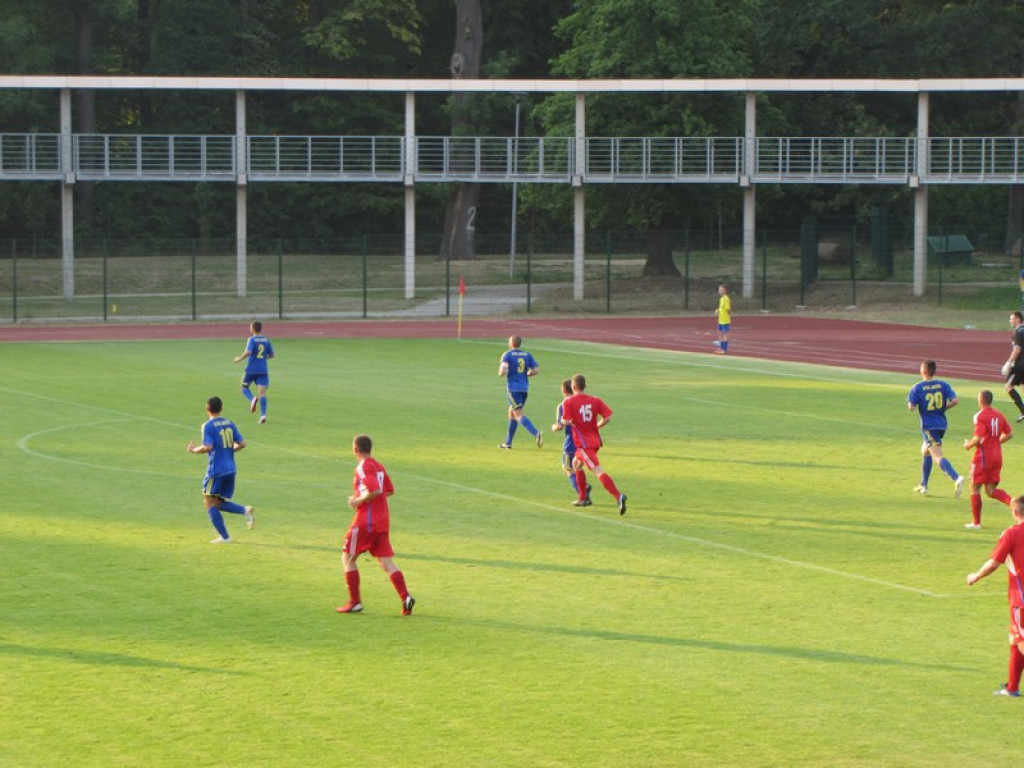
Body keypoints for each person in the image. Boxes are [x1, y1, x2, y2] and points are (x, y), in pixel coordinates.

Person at [336, 434, 415, 616]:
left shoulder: (363, 467)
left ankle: (355, 602)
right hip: (382, 520)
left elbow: (375, 490)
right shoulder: (378, 466)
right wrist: (365, 497)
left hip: (366, 521)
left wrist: (359, 500)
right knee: (386, 561)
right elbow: (389, 490)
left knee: (347, 558)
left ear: (355, 450)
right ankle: (406, 597)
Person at [966, 495, 1024, 696]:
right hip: (1018, 599)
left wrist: (975, 576)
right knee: (1014, 638)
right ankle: (1012, 687)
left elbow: (994, 563)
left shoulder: (1012, 533)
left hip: (1021, 599)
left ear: (1015, 512)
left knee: (1021, 642)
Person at [186, 396, 255, 543]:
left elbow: (208, 447)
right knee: (218, 503)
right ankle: (245, 511)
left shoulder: (208, 425)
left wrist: (193, 450)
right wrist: (228, 451)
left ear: (207, 409)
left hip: (216, 471)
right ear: (222, 408)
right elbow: (242, 443)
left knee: (209, 503)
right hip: (231, 469)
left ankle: (225, 537)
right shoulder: (230, 423)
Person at [560, 373, 627, 514]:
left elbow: (566, 421)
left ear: (573, 386)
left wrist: (564, 422)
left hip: (584, 444)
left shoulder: (568, 402)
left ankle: (618, 496)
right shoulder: (595, 400)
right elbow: (607, 417)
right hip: (595, 441)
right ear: (585, 386)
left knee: (598, 471)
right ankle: (583, 498)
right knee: (576, 464)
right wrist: (597, 425)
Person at [907, 360, 964, 498]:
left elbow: (911, 407)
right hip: (941, 424)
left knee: (937, 456)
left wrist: (916, 403)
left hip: (929, 427)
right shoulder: (943, 384)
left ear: (923, 371)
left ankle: (956, 477)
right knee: (925, 451)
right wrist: (942, 408)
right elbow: (955, 400)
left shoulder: (917, 387)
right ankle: (924, 485)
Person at [963, 389, 1014, 529]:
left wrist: (968, 445)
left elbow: (978, 438)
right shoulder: (999, 414)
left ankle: (976, 523)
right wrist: (996, 442)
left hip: (983, 457)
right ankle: (1014, 503)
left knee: (974, 487)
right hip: (997, 456)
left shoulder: (979, 416)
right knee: (990, 490)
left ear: (980, 400)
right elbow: (1010, 433)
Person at [497, 335, 542, 449]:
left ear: (510, 343)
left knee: (518, 415)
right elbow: (536, 369)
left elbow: (502, 371)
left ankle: (536, 433)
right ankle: (508, 443)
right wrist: (529, 373)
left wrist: (503, 372)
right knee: (511, 412)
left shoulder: (507, 355)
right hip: (524, 389)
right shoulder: (527, 355)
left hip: (513, 390)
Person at [552, 378, 591, 504]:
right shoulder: (581, 403)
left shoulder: (563, 405)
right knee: (578, 466)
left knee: (568, 469)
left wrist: (554, 427)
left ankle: (583, 492)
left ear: (563, 390)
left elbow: (560, 425)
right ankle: (584, 493)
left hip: (570, 442)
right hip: (584, 441)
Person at [233, 320, 274, 424]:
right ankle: (263, 415)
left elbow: (249, 351)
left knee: (243, 387)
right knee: (262, 394)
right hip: (263, 369)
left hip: (251, 369)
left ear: (253, 328)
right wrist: (262, 358)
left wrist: (239, 359)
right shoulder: (266, 340)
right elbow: (271, 355)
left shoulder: (251, 339)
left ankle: (252, 399)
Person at [1003, 311, 1024, 423]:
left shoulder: (1018, 331)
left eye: (1012, 319)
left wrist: (1009, 362)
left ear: (1017, 319)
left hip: (1020, 365)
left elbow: (1017, 349)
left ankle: (1023, 411)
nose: (1010, 321)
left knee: (1008, 386)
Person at [713, 283, 731, 354]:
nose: (720, 291)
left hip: (725, 320)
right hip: (720, 319)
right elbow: (722, 308)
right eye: (719, 289)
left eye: (721, 289)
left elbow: (728, 309)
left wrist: (727, 314)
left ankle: (724, 349)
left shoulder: (726, 299)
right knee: (720, 333)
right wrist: (718, 310)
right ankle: (721, 348)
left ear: (725, 290)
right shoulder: (721, 299)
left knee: (724, 334)